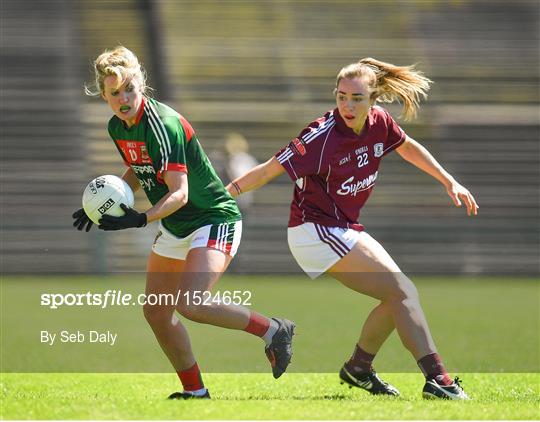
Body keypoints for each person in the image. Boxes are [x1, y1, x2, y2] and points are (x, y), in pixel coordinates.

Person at [226, 58, 478, 400]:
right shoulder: (321, 136)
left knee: (401, 296)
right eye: (341, 96)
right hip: (313, 230)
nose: (347, 104)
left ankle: (359, 368)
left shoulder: (380, 123)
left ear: (373, 99)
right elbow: (268, 169)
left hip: (344, 227)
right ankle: (439, 380)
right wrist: (225, 197)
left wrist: (449, 181)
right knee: (401, 291)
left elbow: (408, 148)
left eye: (356, 98)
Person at [72, 46, 295, 399]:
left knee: (192, 304)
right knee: (156, 313)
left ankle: (273, 330)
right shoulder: (118, 127)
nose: (124, 98)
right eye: (115, 93)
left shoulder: (165, 124)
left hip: (213, 218)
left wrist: (140, 218)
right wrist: (101, 205)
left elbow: (180, 192)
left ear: (141, 85)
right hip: (177, 225)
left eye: (129, 89)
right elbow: (139, 166)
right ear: (104, 95)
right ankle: (195, 392)